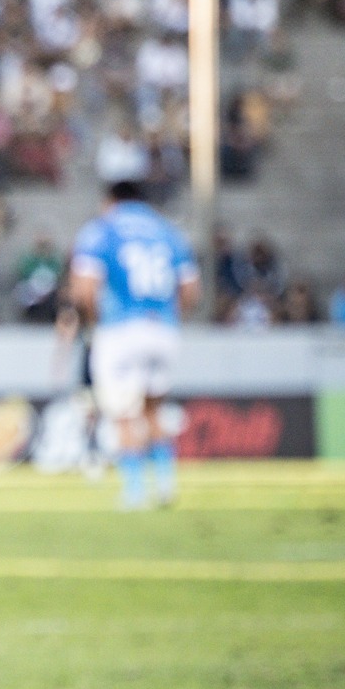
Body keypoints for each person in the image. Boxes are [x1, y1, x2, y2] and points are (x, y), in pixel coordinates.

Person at [68, 180, 201, 509]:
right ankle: (166, 485)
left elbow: (84, 288)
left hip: (120, 330)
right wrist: (171, 317)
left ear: (111, 200)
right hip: (163, 328)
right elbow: (191, 290)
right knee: (154, 410)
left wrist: (95, 322)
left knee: (124, 414)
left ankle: (135, 492)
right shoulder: (169, 232)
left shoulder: (101, 230)